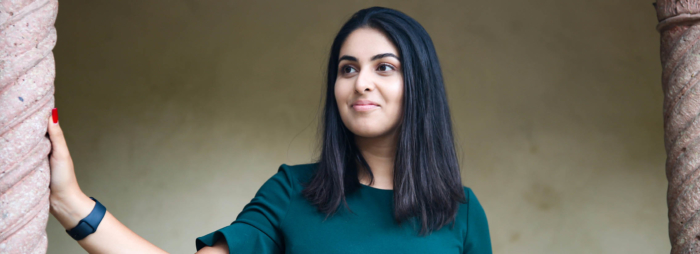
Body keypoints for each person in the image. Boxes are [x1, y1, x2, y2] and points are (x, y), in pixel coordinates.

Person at [47, 6, 492, 254]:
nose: (362, 82)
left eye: (385, 67)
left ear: (420, 85)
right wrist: (72, 204)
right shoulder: (292, 191)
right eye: (348, 67)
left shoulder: (461, 211)